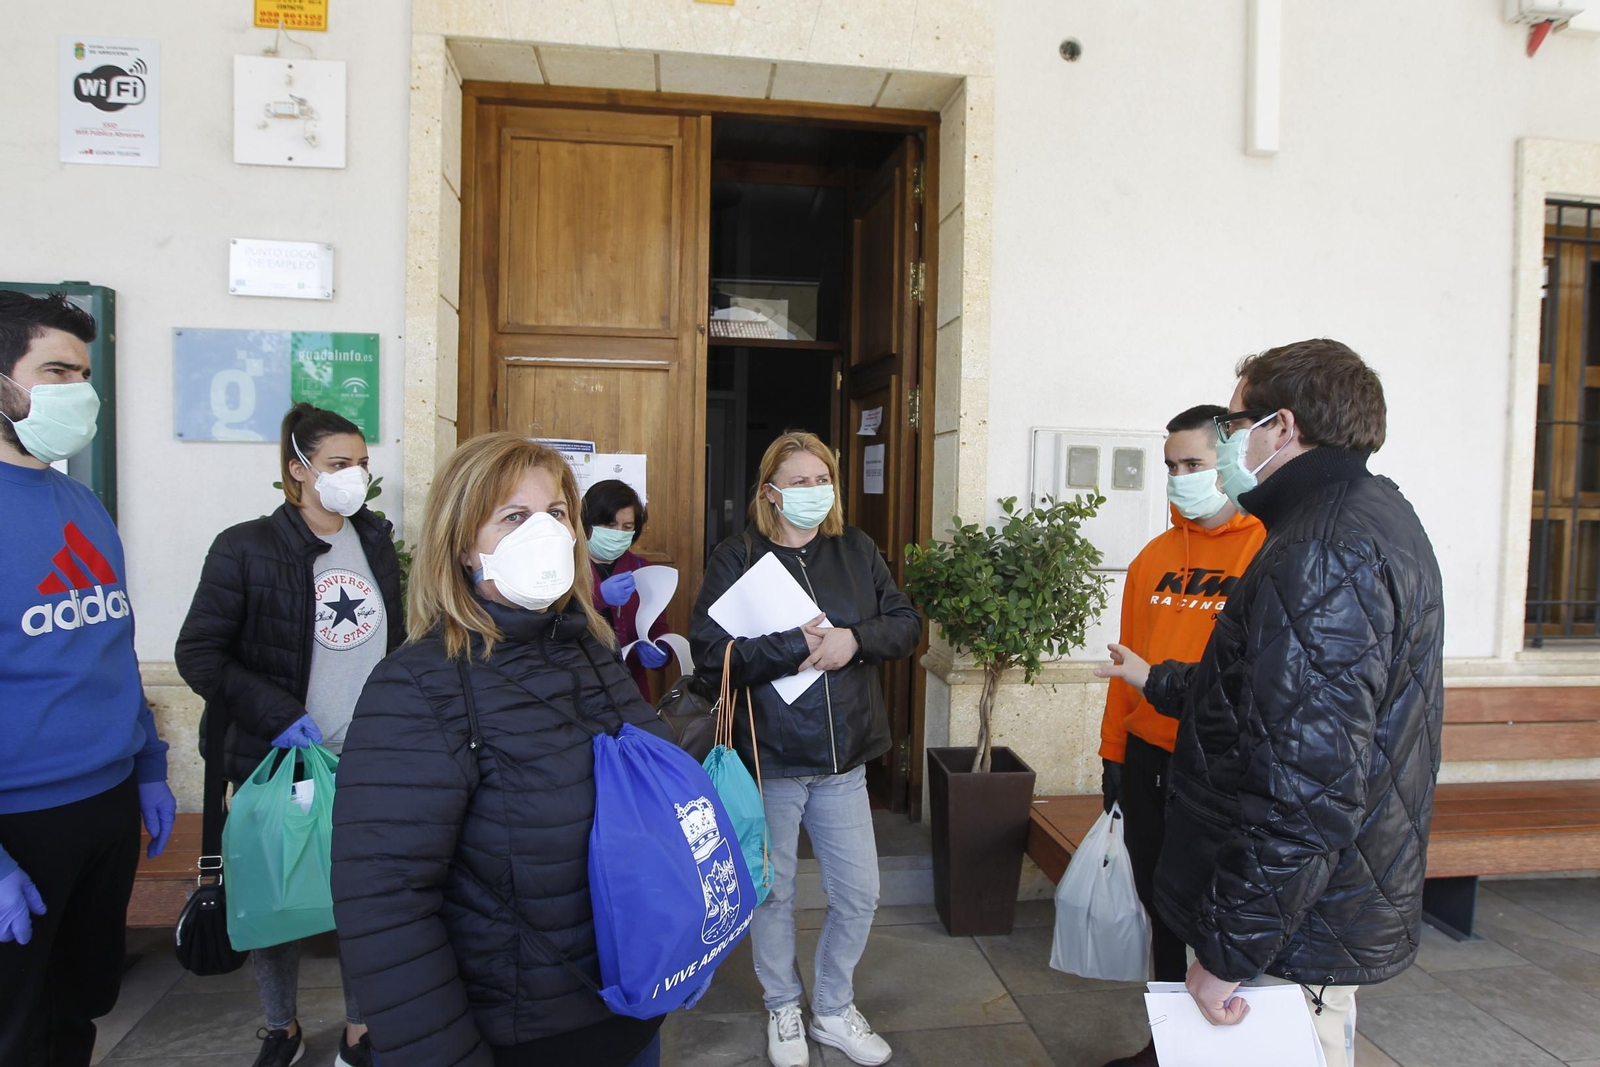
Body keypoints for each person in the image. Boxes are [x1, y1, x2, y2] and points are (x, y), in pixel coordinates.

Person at [1095, 340, 1445, 1067]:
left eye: (1233, 426)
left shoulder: (1324, 550)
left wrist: (1229, 949)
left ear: (1281, 426)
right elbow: (1263, 694)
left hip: (1290, 931)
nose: (1225, 446)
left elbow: (1307, 786)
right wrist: (1158, 681)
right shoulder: (1368, 516)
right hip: (1305, 908)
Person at [329, 433, 673, 1067]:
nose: (542, 533)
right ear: (464, 544)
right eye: (514, 517)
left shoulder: (588, 651)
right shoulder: (418, 686)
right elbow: (387, 909)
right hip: (523, 1039)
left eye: (556, 514)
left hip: (632, 1018)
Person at [175, 403, 403, 1067]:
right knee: (275, 898)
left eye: (360, 463)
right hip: (277, 760)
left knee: (366, 898)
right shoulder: (246, 546)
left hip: (364, 758)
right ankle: (282, 1027)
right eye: (337, 465)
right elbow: (199, 653)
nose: (352, 476)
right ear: (296, 471)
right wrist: (274, 710)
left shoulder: (376, 539)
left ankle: (362, 1029)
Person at [689, 431, 921, 1067]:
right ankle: (783, 1005)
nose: (814, 492)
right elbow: (711, 657)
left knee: (859, 894)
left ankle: (835, 1005)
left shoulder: (856, 549)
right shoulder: (736, 556)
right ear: (770, 492)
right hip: (771, 761)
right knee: (773, 893)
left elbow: (905, 624)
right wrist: (793, 644)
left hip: (844, 761)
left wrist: (855, 640)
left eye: (823, 479)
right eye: (798, 481)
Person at [0, 290, 175, 1066]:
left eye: (84, 372)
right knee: (16, 1025)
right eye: (57, 371)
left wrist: (148, 766)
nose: (80, 390)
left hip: (104, 805)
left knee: (78, 1011)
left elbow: (115, 643)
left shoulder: (82, 502)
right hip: (19, 820)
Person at [1096, 403, 1266, 1066]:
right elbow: (1125, 668)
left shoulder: (1265, 550)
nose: (1181, 477)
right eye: (1171, 466)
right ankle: (1165, 1043)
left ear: (1228, 462)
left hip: (1221, 766)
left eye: (1193, 463)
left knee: (1218, 911)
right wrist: (1113, 755)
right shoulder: (1153, 559)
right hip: (1149, 758)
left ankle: (1230, 1041)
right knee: (1159, 909)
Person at [582, 478, 671, 699]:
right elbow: (554, 620)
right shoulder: (567, 567)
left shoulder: (642, 569)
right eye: (610, 525)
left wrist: (662, 652)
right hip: (580, 690)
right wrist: (599, 596)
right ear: (587, 523)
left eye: (627, 527)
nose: (618, 533)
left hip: (630, 691)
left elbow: (658, 628)